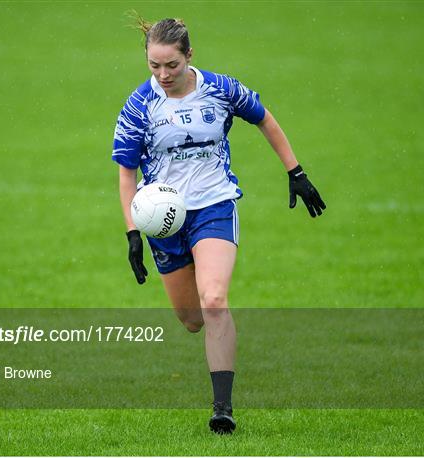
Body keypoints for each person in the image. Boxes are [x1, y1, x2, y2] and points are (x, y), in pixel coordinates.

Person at [112, 16, 325, 434]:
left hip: (215, 205)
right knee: (192, 319)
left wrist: (295, 171)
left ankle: (222, 409)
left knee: (213, 301)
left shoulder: (222, 89)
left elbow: (265, 117)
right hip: (165, 220)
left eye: (171, 65)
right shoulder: (138, 107)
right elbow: (126, 174)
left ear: (189, 55)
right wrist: (133, 233)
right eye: (154, 66)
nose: (163, 75)